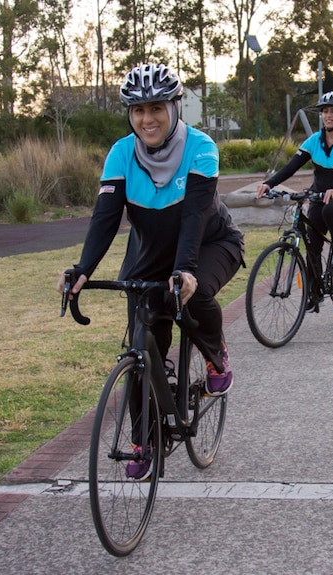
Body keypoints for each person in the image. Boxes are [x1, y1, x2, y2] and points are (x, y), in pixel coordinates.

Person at [57, 64, 244, 478]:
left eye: (156, 107)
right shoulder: (122, 152)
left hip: (211, 244)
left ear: (175, 107)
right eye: (138, 110)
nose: (147, 119)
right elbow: (105, 217)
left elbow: (194, 216)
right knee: (142, 343)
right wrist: (83, 269)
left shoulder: (201, 147)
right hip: (149, 256)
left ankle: (216, 356)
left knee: (194, 295)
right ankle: (145, 438)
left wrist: (185, 271)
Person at [255, 91, 333, 312]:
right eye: (325, 111)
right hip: (319, 195)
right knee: (312, 244)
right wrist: (270, 183)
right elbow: (291, 166)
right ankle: (314, 293)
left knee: (329, 211)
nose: (329, 115)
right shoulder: (314, 141)